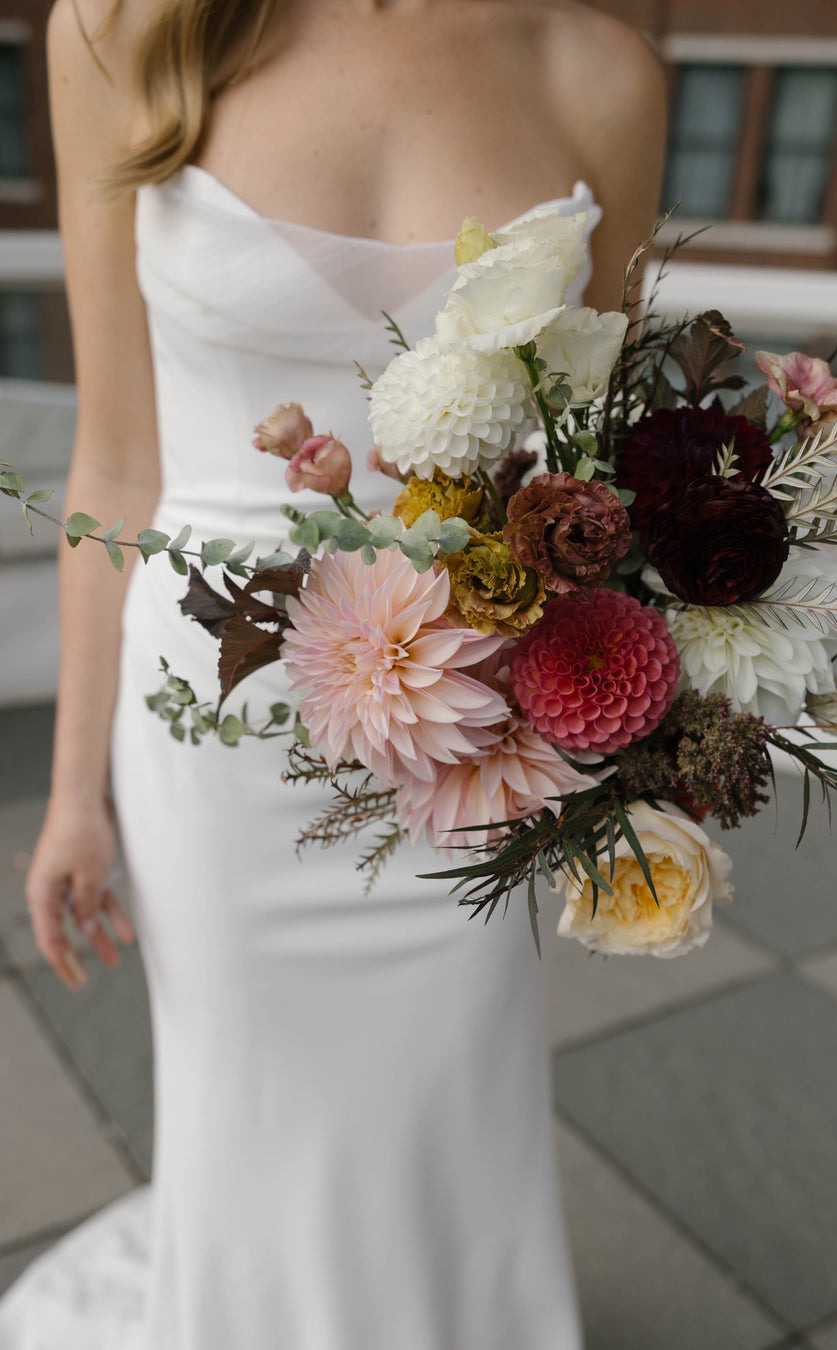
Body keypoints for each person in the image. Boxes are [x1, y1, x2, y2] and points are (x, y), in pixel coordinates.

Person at [2, 1, 666, 1346]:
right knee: (248, 1112)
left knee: (448, 1107)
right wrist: (74, 793)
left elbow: (592, 480)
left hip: (471, 735)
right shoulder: (121, 26)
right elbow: (119, 460)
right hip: (215, 739)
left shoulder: (598, 71)